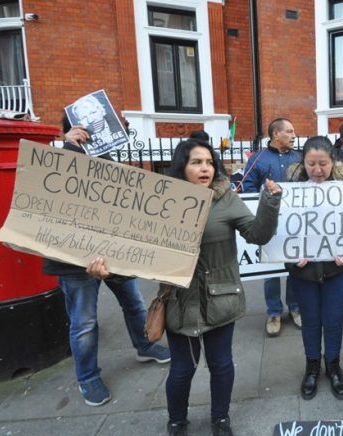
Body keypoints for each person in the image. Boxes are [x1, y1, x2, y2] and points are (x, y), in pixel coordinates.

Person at [86, 140, 282, 435]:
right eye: (196, 162)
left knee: (221, 364)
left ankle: (221, 419)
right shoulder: (161, 204)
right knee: (182, 370)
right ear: (182, 167)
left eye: (209, 162)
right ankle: (177, 420)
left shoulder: (226, 199)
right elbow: (136, 255)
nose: (205, 168)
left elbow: (258, 235)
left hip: (221, 299)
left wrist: (270, 201)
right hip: (180, 302)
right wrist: (107, 272)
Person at [42, 116, 170, 408]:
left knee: (135, 304)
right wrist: (68, 146)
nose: (117, 128)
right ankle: (87, 377)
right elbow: (49, 187)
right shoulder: (61, 155)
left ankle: (145, 345)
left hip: (114, 255)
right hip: (74, 263)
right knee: (84, 322)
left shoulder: (105, 157)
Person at [283, 136, 343, 400]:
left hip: (338, 270)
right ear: (303, 162)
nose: (317, 170)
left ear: (333, 161)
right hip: (304, 271)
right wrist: (291, 257)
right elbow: (281, 231)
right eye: (311, 163)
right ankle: (312, 366)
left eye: (323, 163)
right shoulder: (290, 189)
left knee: (333, 320)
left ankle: (333, 365)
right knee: (311, 321)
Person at [242, 118, 302, 336]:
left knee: (296, 267)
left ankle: (296, 308)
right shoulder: (257, 159)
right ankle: (274, 312)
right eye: (290, 131)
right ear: (276, 134)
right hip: (269, 224)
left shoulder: (300, 157)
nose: (294, 135)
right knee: (271, 271)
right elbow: (246, 190)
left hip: (295, 223)